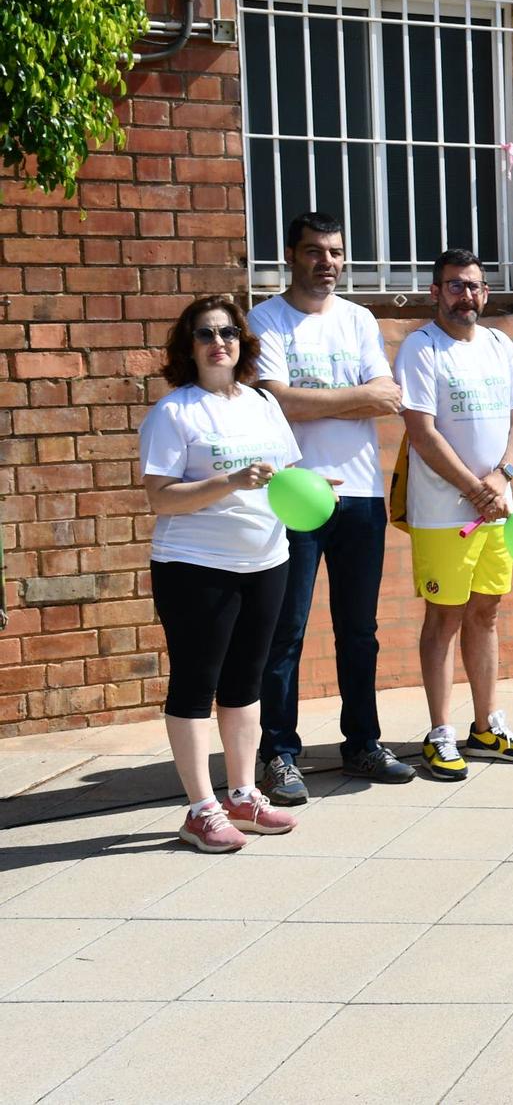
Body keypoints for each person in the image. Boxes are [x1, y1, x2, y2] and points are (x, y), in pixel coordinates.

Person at [249, 213, 414, 805]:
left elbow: (388, 396)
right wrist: (355, 400)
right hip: (296, 496)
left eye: (336, 252)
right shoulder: (266, 320)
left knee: (359, 632)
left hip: (362, 498)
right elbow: (275, 402)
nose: (327, 263)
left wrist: (323, 402)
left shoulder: (360, 319)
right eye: (315, 251)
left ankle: (363, 743)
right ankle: (278, 754)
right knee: (285, 631)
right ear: (291, 254)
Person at [140, 296, 303, 852]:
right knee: (195, 684)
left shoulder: (262, 403)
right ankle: (199, 809)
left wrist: (312, 492)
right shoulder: (174, 412)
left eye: (229, 332)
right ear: (189, 346)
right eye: (206, 334)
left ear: (242, 342)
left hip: (266, 560)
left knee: (245, 684)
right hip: (195, 567)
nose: (220, 342)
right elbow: (160, 498)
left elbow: (285, 477)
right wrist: (229, 482)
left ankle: (240, 794)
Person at [395, 249, 513, 777]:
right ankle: (440, 732)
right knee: (444, 617)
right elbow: (421, 430)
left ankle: (486, 726)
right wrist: (473, 487)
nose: (467, 296)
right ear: (436, 292)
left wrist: (501, 476)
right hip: (442, 512)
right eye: (455, 286)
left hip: (497, 506)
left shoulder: (500, 344)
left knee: (487, 612)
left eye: (475, 286)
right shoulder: (421, 348)